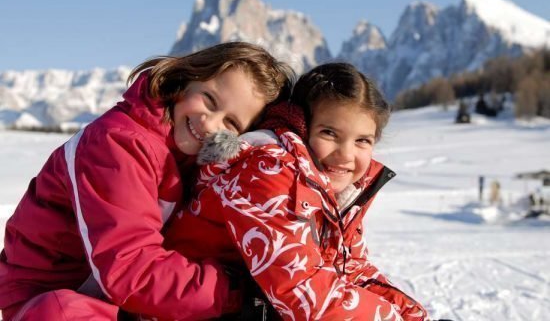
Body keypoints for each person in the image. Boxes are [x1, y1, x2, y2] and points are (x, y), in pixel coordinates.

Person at [0, 42, 294, 321]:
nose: (210, 122)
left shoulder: (193, 157)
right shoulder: (118, 143)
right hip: (51, 299)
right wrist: (232, 292)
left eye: (231, 123)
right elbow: (128, 268)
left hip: (114, 296)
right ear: (185, 80)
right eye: (209, 99)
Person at [164, 63, 429, 320]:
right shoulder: (266, 172)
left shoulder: (338, 189)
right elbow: (303, 295)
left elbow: (351, 270)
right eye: (329, 133)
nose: (346, 154)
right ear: (300, 125)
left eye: (362, 140)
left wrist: (411, 314)